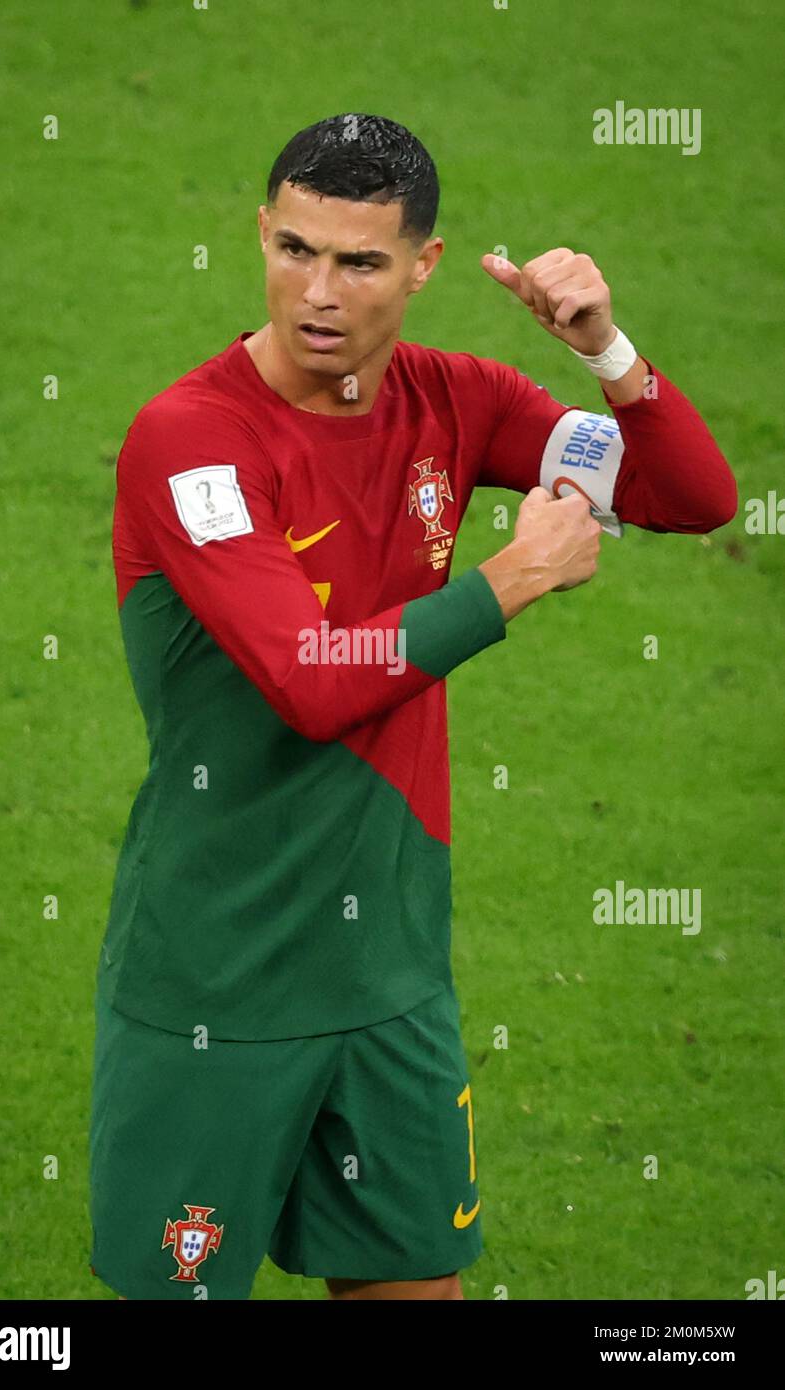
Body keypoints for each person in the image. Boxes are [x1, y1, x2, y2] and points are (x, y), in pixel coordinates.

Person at [88, 113, 737, 1301]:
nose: (317, 292)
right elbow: (309, 682)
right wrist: (510, 578)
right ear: (261, 236)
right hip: (213, 987)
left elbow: (689, 497)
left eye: (359, 261)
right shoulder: (191, 445)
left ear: (423, 265)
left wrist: (607, 353)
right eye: (294, 249)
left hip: (388, 977)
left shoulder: (455, 401)